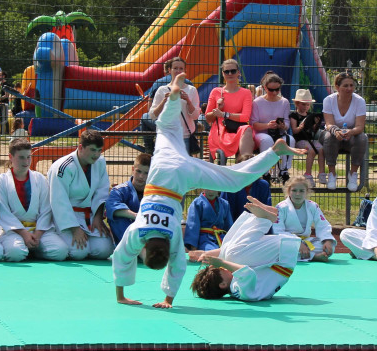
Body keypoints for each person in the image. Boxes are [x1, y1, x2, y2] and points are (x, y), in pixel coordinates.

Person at [112, 73, 300, 308]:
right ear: (144, 249)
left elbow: (174, 266)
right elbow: (123, 256)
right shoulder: (139, 232)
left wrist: (167, 300)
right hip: (161, 171)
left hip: (180, 180)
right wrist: (122, 296)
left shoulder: (170, 237)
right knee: (166, 130)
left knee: (232, 181)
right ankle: (173, 96)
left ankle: (273, 153)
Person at [189, 197, 300, 302]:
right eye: (220, 269)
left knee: (230, 254)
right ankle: (263, 219)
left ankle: (264, 218)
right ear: (222, 284)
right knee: (231, 256)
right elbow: (248, 273)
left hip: (280, 253)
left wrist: (206, 254)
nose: (222, 267)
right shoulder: (239, 290)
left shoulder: (234, 285)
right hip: (281, 259)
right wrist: (221, 261)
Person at [0, 139, 68, 260]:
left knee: (60, 251)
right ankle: (27, 248)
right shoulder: (2, 181)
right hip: (13, 231)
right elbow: (3, 212)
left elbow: (46, 209)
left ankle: (34, 249)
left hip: (39, 230)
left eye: (28, 157)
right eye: (21, 157)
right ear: (10, 157)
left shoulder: (39, 179)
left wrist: (37, 234)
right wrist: (24, 234)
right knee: (15, 253)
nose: (26, 161)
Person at [48, 128, 114, 260]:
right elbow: (58, 200)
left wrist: (98, 216)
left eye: (99, 150)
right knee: (79, 252)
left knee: (105, 249)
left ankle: (85, 239)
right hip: (66, 219)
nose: (96, 155)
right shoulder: (63, 167)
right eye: (92, 150)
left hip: (89, 216)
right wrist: (74, 229)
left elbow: (101, 191)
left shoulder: (100, 162)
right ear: (81, 147)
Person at [322, 72, 368, 191]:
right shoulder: (328, 100)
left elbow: (360, 126)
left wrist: (350, 132)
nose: (349, 89)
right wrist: (336, 131)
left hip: (351, 136)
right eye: (345, 86)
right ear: (337, 87)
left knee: (362, 137)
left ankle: (353, 175)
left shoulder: (360, 101)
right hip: (333, 135)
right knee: (329, 136)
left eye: (351, 85)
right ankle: (332, 174)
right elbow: (329, 123)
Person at [273, 175, 335, 262]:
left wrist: (327, 240)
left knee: (328, 247)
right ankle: (313, 256)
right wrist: (297, 243)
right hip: (289, 241)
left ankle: (304, 255)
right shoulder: (281, 207)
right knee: (279, 248)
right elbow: (278, 230)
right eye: (294, 190)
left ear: (307, 192)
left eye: (301, 191)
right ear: (288, 191)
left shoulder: (312, 206)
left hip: (306, 241)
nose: (297, 194)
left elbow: (322, 224)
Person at [205, 58, 255, 164]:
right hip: (220, 130)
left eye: (233, 71)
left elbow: (245, 117)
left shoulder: (246, 93)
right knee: (246, 131)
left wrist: (224, 114)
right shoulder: (216, 92)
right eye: (226, 71)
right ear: (223, 74)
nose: (230, 73)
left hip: (238, 128)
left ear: (238, 73)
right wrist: (218, 109)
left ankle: (244, 169)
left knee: (247, 129)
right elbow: (208, 118)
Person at [148, 57, 202, 156]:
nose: (178, 71)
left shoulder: (191, 90)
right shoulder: (162, 90)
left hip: (184, 135)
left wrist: (188, 101)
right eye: (175, 68)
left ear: (185, 70)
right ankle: (148, 149)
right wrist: (164, 101)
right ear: (169, 70)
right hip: (166, 136)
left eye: (181, 68)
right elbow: (152, 115)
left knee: (183, 167)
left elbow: (195, 116)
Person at [250, 72, 293, 180]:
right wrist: (267, 126)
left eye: (277, 89)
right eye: (271, 90)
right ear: (265, 87)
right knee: (267, 140)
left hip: (279, 133)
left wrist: (283, 126)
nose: (274, 93)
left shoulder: (284, 102)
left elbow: (287, 123)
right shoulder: (257, 102)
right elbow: (254, 124)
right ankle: (266, 172)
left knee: (290, 140)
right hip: (262, 133)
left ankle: (284, 171)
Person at [105, 153, 151, 245]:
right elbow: (111, 208)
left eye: (146, 173)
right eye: (139, 171)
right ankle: (138, 250)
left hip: (149, 236)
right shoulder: (118, 190)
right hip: (126, 242)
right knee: (117, 218)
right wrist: (136, 216)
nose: (141, 176)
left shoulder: (155, 194)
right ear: (133, 170)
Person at [289, 89, 325, 181]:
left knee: (321, 149)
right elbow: (294, 131)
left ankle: (321, 173)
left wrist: (316, 124)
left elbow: (313, 130)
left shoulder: (310, 115)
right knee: (312, 150)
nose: (306, 107)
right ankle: (308, 174)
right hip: (300, 141)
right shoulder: (294, 115)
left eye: (308, 105)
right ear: (297, 104)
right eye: (303, 104)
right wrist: (300, 127)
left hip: (310, 140)